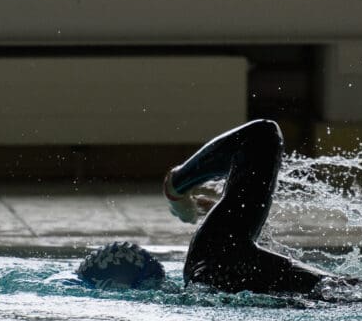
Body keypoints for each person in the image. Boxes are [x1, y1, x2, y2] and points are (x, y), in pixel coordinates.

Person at [78, 120, 346, 294]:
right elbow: (259, 136)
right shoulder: (214, 260)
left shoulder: (206, 281)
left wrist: (220, 216)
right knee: (262, 135)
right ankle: (180, 181)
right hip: (350, 301)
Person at [164, 119, 342, 293]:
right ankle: (178, 184)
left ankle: (179, 182)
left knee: (262, 134)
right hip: (218, 266)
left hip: (218, 261)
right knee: (343, 290)